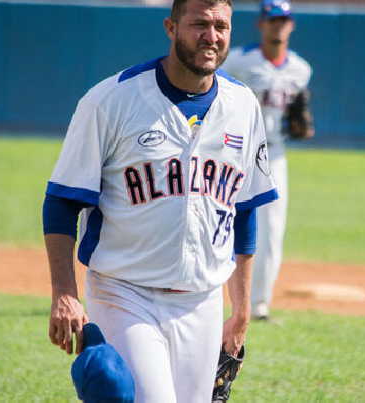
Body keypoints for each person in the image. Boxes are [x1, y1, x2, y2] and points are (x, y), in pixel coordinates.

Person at [42, 0, 278, 401]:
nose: (212, 36)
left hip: (201, 299)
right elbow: (61, 202)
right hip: (125, 291)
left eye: (221, 26)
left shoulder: (243, 105)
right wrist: (64, 293)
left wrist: (240, 310)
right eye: (199, 24)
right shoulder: (111, 100)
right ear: (171, 27)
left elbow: (244, 210)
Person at [221, 0, 313, 321]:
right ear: (261, 24)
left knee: (272, 227)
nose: (279, 25)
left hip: (272, 153)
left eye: (284, 20)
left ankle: (259, 305)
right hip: (231, 149)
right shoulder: (238, 61)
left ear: (292, 25)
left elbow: (297, 113)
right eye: (273, 19)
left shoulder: (301, 70)